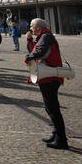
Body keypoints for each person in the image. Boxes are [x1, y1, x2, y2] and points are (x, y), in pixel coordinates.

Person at [24, 18, 69, 150]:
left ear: (38, 27)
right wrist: (29, 41)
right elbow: (34, 49)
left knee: (53, 108)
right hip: (47, 76)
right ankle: (56, 134)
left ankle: (61, 139)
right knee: (50, 107)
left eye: (32, 26)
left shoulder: (45, 36)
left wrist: (28, 58)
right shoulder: (44, 36)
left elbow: (39, 52)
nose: (31, 28)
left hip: (49, 76)